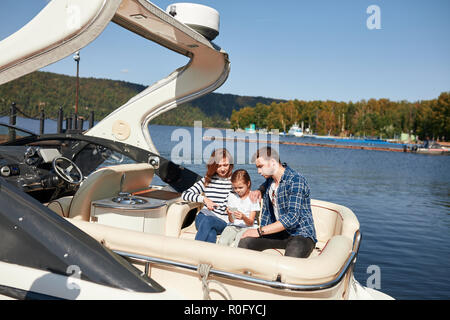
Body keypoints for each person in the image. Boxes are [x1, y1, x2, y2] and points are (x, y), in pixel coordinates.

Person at [238, 146, 317, 258]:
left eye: (260, 166)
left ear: (273, 162)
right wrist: (260, 190)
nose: (258, 171)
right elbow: (267, 186)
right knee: (246, 242)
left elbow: (292, 218)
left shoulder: (296, 180)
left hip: (301, 234)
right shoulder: (270, 181)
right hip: (279, 234)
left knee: (293, 252)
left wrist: (259, 231)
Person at [182, 148, 233, 243]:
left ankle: (194, 251)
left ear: (230, 165)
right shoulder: (207, 180)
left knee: (209, 221)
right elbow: (185, 195)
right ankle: (206, 256)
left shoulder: (234, 182)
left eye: (225, 165)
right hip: (203, 217)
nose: (222, 169)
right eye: (218, 166)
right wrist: (204, 199)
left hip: (222, 221)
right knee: (210, 232)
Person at [218, 169, 260, 247]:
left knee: (238, 242)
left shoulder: (253, 197)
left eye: (240, 187)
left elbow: (250, 222)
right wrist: (229, 214)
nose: (237, 190)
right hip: (233, 226)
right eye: (235, 188)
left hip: (248, 227)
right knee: (222, 242)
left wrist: (243, 217)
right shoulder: (232, 196)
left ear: (248, 183)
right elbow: (232, 220)